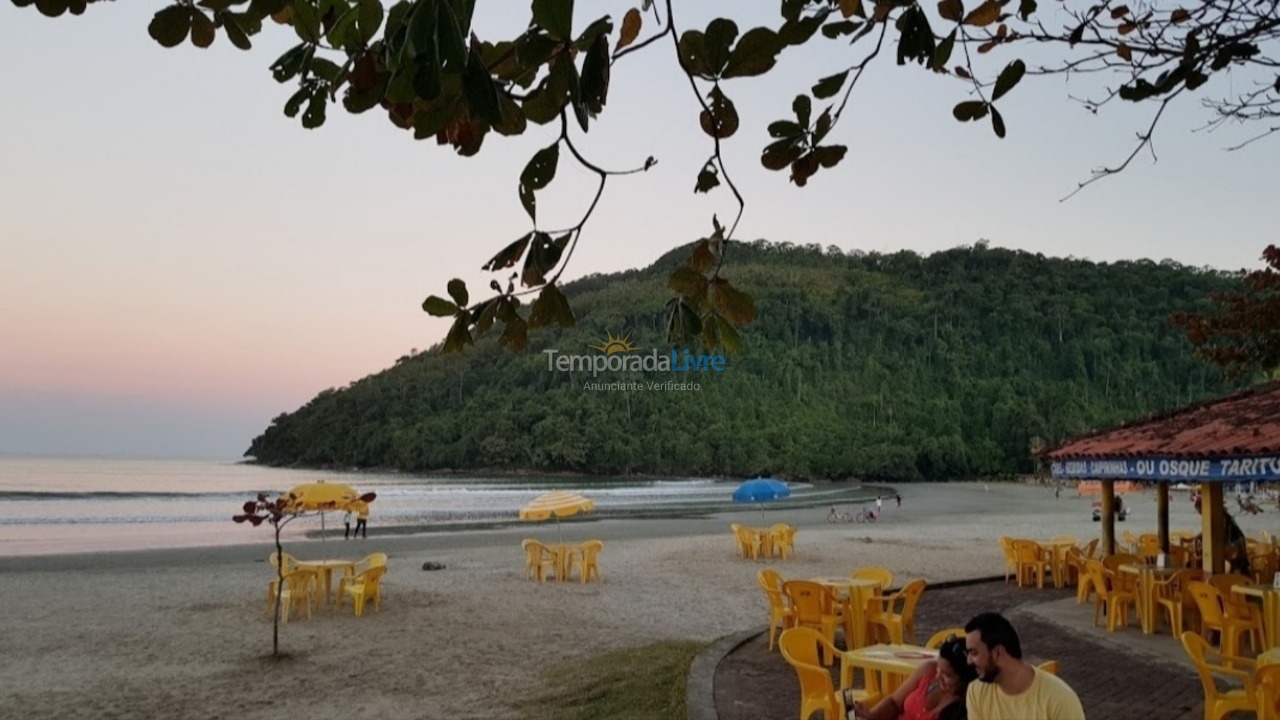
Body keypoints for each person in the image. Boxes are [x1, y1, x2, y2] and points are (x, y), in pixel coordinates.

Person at [964, 612, 1084, 720]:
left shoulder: (1060, 700)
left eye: (974, 653)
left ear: (998, 653)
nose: (969, 661)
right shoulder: (976, 692)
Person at [846, 634, 976, 720]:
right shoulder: (929, 670)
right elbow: (894, 703)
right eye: (939, 669)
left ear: (964, 678)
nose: (938, 675)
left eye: (947, 675)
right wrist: (872, 715)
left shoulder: (967, 706)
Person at [1194, 496, 1250, 575]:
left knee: (1231, 564)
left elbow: (1220, 532)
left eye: (1200, 511)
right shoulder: (1217, 515)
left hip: (1234, 543)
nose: (1201, 514)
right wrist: (1197, 538)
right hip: (1233, 542)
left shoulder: (1221, 517)